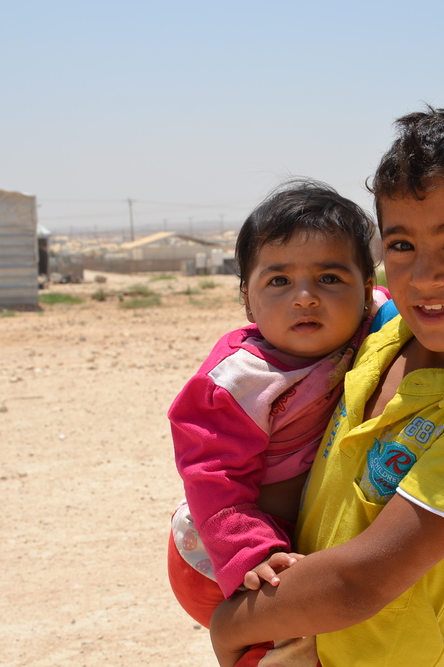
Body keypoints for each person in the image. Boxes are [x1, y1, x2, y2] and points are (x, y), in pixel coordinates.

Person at [208, 107, 444, 666]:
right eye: (401, 245)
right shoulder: (381, 333)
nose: (422, 275)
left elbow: (360, 581)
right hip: (290, 637)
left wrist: (230, 624)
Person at [167, 180, 390, 628]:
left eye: (329, 278)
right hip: (224, 555)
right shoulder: (240, 380)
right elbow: (213, 475)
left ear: (366, 291)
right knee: (279, 649)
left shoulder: (376, 322)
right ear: (248, 301)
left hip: (292, 543)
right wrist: (253, 552)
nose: (304, 296)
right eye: (279, 281)